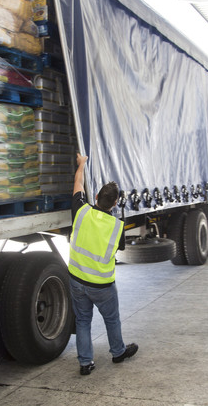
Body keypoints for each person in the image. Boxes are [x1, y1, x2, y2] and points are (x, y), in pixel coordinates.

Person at [68, 153, 138, 375]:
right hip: (102, 285)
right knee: (111, 319)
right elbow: (120, 249)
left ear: (96, 196)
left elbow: (78, 183)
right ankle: (118, 353)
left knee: (83, 321)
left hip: (77, 280)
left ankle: (85, 363)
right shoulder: (117, 226)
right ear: (115, 203)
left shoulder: (81, 210)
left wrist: (82, 164)